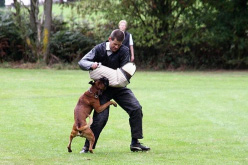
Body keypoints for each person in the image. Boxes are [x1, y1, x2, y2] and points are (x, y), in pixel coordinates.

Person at [78, 29, 150, 153]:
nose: (116, 47)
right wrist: (91, 65)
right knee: (101, 117)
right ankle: (87, 146)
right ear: (109, 39)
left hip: (119, 88)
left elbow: (123, 73)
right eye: (114, 44)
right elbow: (82, 62)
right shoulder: (99, 49)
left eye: (119, 45)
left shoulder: (124, 51)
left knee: (136, 108)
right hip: (102, 91)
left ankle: (135, 143)